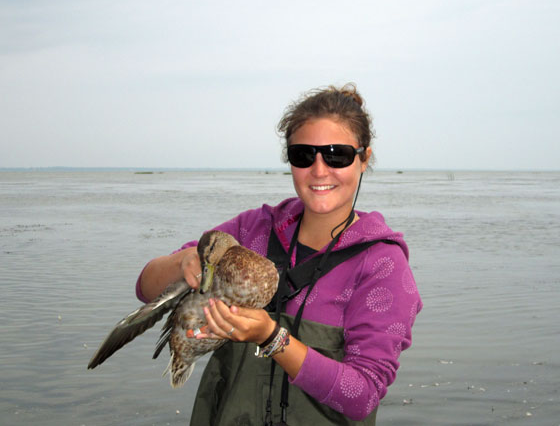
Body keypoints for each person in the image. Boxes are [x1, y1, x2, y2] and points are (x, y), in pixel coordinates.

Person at [136, 83, 422, 425]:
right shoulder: (251, 230)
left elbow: (361, 396)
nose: (319, 170)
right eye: (303, 155)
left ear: (364, 159)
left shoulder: (381, 264)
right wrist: (182, 263)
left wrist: (271, 338)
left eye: (337, 155)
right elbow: (146, 287)